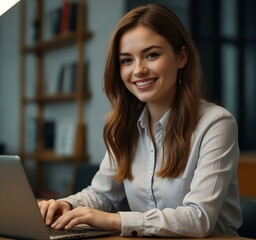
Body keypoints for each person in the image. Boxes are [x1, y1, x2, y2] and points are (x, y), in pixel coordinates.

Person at [38, 3, 242, 238]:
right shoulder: (124, 127)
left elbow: (199, 218)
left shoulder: (216, 124)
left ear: (182, 57)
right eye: (126, 60)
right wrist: (69, 205)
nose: (139, 70)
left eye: (152, 55)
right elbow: (103, 194)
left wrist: (116, 220)